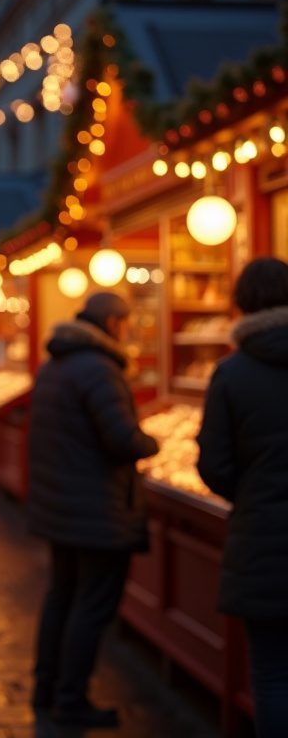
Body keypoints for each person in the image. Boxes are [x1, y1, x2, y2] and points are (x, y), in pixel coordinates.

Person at [26, 291, 159, 728]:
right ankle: (71, 697)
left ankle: (46, 687)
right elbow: (121, 439)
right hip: (96, 509)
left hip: (60, 506)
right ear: (113, 324)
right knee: (91, 604)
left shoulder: (55, 364)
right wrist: (151, 442)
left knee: (61, 596)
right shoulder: (100, 370)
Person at [197, 257, 288, 738]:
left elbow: (213, 463)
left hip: (262, 545)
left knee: (272, 675)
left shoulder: (232, 374)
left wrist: (250, 494)